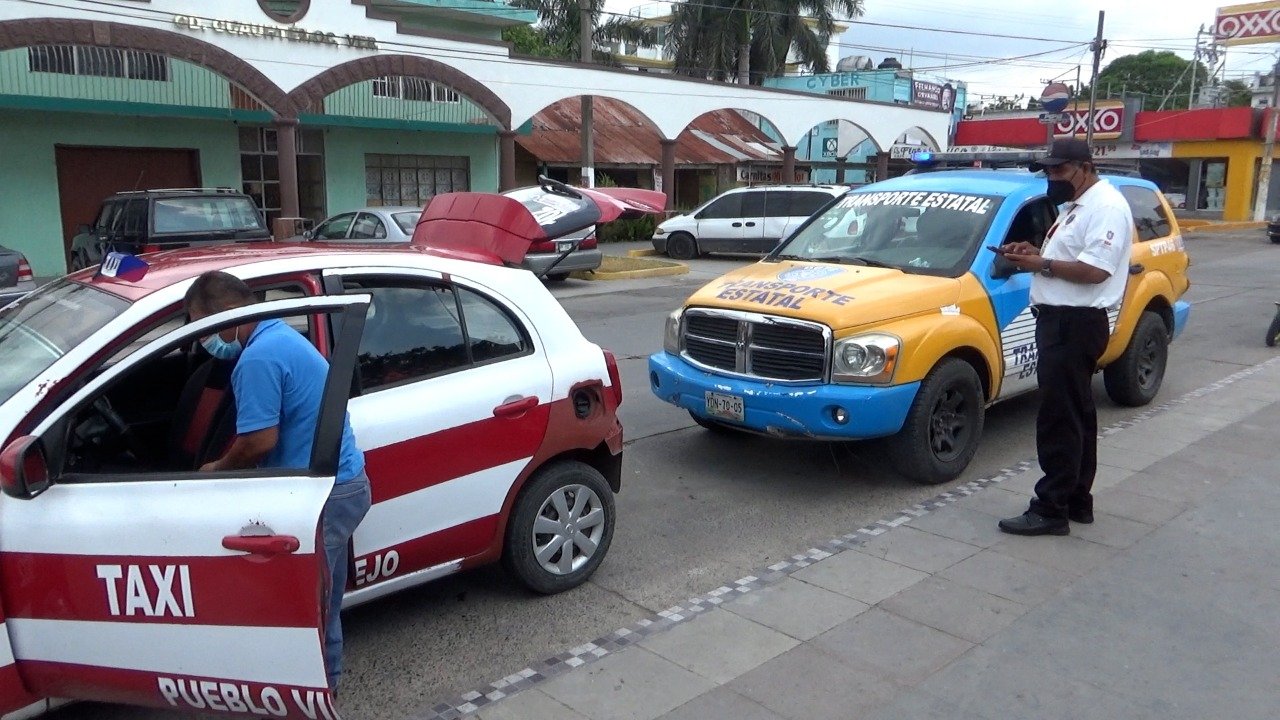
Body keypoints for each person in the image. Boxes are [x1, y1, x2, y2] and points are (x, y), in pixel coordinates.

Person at [184, 271, 370, 690]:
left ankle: (316, 691)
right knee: (325, 601)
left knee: (309, 607)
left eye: (204, 327)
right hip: (342, 483)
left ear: (230, 314)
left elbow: (258, 441)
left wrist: (215, 471)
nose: (203, 340)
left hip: (326, 493)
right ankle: (325, 682)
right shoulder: (278, 337)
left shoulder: (257, 358)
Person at [995, 139, 1133, 536]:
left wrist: (1040, 264)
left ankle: (1050, 508)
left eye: (1059, 171)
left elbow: (1095, 271)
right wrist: (1033, 252)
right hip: (1063, 322)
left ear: (1085, 167)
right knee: (1076, 415)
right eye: (1048, 172)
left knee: (1059, 418)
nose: (1052, 178)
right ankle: (1075, 499)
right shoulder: (1076, 208)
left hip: (1073, 324)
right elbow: (1072, 256)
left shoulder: (1105, 206)